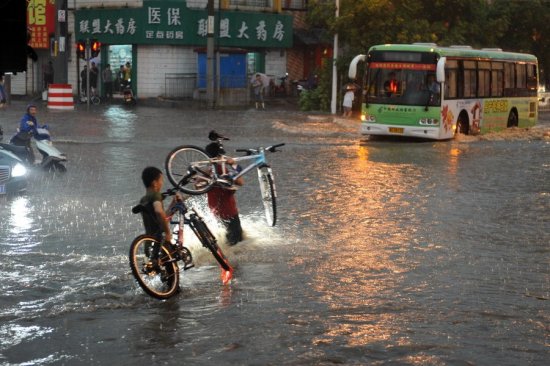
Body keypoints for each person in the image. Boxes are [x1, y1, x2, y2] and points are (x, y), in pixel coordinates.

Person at [205, 142, 244, 245]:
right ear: (219, 156)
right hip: (230, 212)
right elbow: (240, 182)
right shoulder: (221, 170)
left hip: (216, 212)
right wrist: (233, 164)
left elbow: (197, 186)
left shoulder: (207, 171)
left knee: (226, 242)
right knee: (236, 244)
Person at [138, 167, 181, 247]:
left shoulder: (143, 200)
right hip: (161, 243)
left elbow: (158, 219)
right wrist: (168, 233)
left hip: (149, 243)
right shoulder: (156, 195)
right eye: (161, 180)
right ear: (155, 183)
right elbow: (159, 212)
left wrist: (173, 204)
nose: (162, 183)